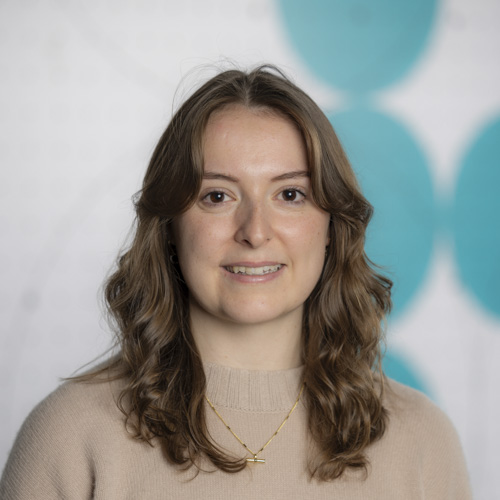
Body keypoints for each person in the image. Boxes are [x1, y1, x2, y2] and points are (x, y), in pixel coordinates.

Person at [0, 65, 472, 499]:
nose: (255, 232)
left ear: (331, 226)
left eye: (290, 194)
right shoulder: (69, 436)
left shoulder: (422, 441)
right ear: (169, 227)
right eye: (217, 196)